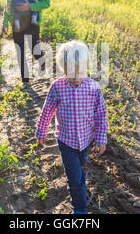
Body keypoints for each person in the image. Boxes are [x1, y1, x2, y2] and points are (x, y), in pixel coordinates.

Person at [35, 40, 109, 214]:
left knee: (82, 162)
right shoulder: (57, 87)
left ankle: (81, 168)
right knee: (74, 178)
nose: (76, 78)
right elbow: (48, 110)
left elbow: (100, 114)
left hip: (86, 139)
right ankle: (80, 209)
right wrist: (41, 130)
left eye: (80, 72)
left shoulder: (93, 88)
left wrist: (100, 138)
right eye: (70, 73)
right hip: (66, 141)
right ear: (62, 69)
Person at [2, 0, 50, 83]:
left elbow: (46, 2)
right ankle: (25, 81)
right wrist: (5, 22)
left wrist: (31, 6)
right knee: (19, 50)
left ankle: (41, 60)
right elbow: (8, 4)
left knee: (34, 48)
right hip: (17, 21)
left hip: (32, 20)